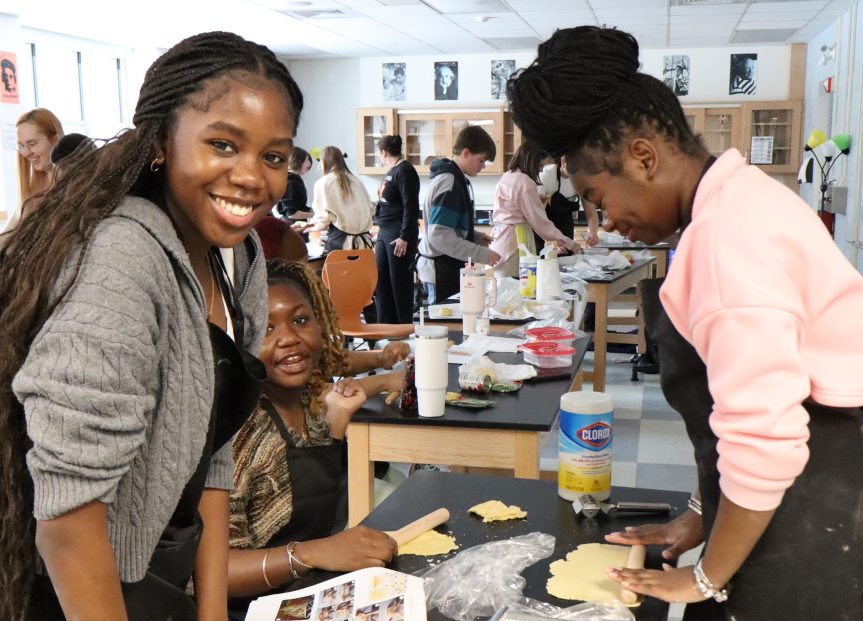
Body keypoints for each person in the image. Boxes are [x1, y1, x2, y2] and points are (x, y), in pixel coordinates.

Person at [508, 25, 863, 620]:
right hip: (789, 497)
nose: (608, 220)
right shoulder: (734, 205)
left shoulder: (726, 239)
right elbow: (727, 414)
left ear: (643, 158)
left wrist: (705, 578)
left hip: (819, 508)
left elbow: (765, 439)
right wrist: (704, 511)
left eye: (599, 197)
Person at [0, 31, 303, 620]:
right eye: (223, 144)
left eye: (273, 156)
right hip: (77, 589)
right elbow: (67, 518)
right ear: (162, 140)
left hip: (160, 578)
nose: (251, 177)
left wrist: (212, 613)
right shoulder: (124, 261)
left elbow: (213, 449)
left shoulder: (237, 258)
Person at [227, 259, 400, 619]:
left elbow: (310, 486)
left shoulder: (307, 403)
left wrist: (337, 419)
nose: (288, 337)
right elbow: (212, 571)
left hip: (310, 592)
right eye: (266, 328)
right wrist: (311, 553)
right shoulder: (239, 431)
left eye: (301, 320)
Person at [417, 125, 500, 303]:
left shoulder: (453, 179)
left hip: (444, 266)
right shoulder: (450, 183)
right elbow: (440, 236)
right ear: (466, 153)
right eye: (482, 160)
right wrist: (483, 255)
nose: (483, 166)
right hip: (440, 270)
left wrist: (474, 236)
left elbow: (448, 227)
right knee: (446, 325)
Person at [489, 140, 578, 278]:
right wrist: (569, 243)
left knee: (504, 292)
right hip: (515, 246)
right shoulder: (525, 183)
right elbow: (540, 222)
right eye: (541, 165)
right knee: (518, 293)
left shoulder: (507, 176)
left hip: (499, 243)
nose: (541, 170)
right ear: (532, 161)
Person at [374, 134, 420, 323]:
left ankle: (403, 328)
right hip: (384, 233)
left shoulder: (405, 171)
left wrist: (405, 236)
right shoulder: (392, 171)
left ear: (383, 152)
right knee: (382, 283)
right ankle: (385, 329)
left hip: (398, 234)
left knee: (398, 283)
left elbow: (411, 206)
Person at [310, 146, 375, 252]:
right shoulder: (356, 181)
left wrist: (311, 228)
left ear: (324, 161)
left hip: (341, 245)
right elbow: (371, 209)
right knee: (362, 269)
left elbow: (323, 219)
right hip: (364, 245)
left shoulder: (323, 183)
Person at [537, 158, 600, 248]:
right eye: (574, 169)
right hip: (545, 225)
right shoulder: (547, 175)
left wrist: (593, 232)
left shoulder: (581, 179)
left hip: (566, 225)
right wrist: (552, 240)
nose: (577, 174)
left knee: (567, 257)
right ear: (563, 162)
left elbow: (591, 213)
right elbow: (537, 215)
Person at [277, 146, 314, 222]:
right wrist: (314, 214)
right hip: (293, 226)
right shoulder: (292, 182)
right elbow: (291, 214)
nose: (309, 162)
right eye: (307, 159)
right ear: (298, 160)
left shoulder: (291, 179)